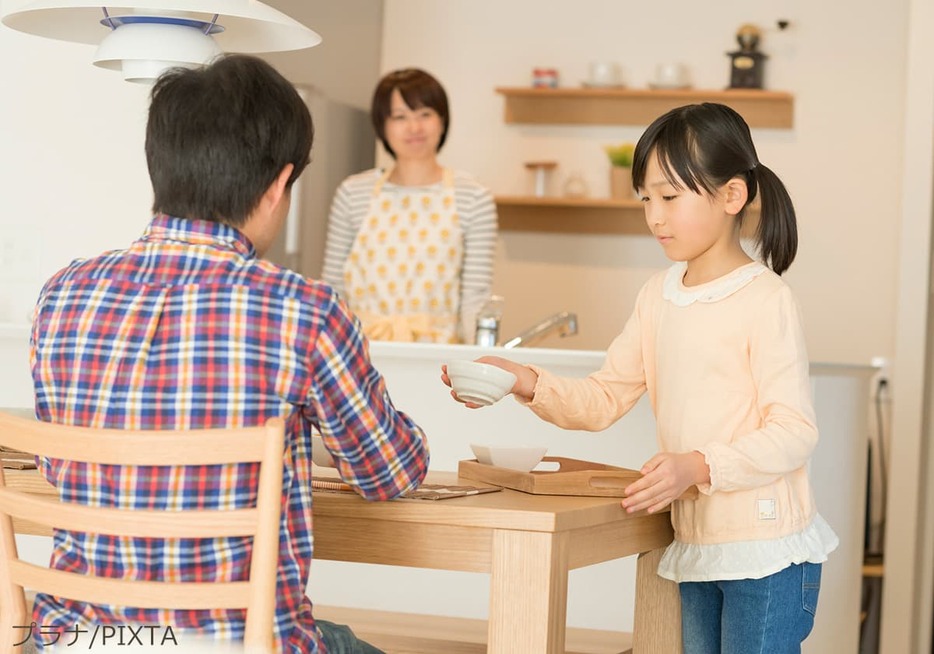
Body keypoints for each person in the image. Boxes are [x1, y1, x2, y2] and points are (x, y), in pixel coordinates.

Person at [27, 54, 428, 654]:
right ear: (275, 187)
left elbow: (61, 468)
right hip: (229, 642)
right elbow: (389, 472)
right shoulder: (305, 310)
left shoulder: (63, 294)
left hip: (76, 641)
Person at [442, 103, 838, 653]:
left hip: (767, 551)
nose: (655, 216)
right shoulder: (659, 296)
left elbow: (794, 431)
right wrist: (524, 381)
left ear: (731, 196)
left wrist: (696, 465)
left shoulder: (765, 298)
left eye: (671, 197)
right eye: (646, 199)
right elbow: (604, 398)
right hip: (698, 545)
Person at [322, 68, 497, 344]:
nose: (414, 128)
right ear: (383, 126)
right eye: (400, 117)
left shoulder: (474, 197)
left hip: (440, 359)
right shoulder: (353, 192)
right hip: (360, 349)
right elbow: (333, 287)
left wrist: (476, 362)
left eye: (425, 114)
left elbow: (475, 295)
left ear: (442, 121)